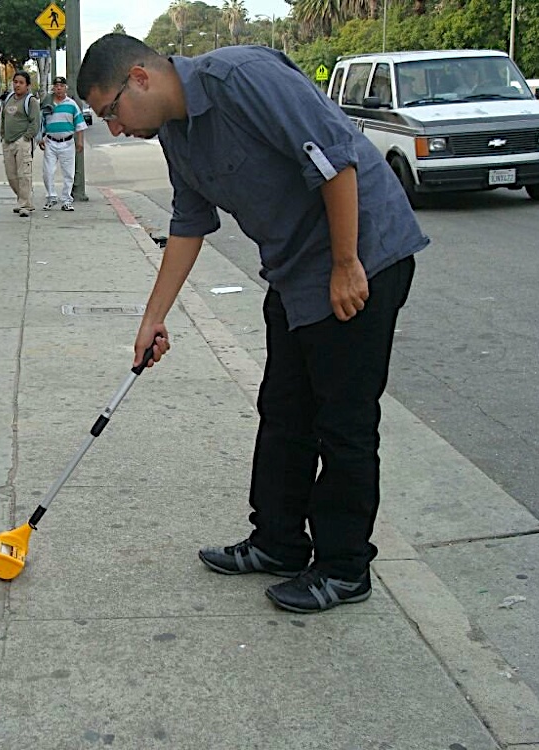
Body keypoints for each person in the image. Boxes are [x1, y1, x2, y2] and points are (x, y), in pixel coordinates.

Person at [78, 35, 428, 613]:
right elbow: (190, 222)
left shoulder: (242, 79)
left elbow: (334, 160)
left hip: (362, 257)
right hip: (295, 272)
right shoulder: (177, 133)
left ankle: (343, 567)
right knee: (284, 410)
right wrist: (153, 319)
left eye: (110, 112)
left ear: (139, 78)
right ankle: (278, 542)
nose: (113, 128)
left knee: (343, 421)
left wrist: (345, 264)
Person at [39, 75, 87, 211]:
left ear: (66, 88)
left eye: (61, 86)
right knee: (47, 172)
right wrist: (40, 138)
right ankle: (51, 197)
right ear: (53, 88)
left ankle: (66, 200)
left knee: (68, 173)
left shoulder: (71, 105)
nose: (59, 88)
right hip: (50, 142)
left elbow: (79, 125)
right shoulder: (47, 104)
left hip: (67, 143)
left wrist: (80, 142)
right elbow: (41, 123)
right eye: (56, 86)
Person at [1, 71, 41, 217]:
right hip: (8, 142)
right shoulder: (9, 99)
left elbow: (35, 123)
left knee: (23, 174)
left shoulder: (31, 102)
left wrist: (26, 138)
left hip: (22, 142)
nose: (17, 85)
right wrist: (3, 136)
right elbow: (4, 118)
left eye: (21, 82)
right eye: (15, 82)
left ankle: (25, 205)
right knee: (11, 176)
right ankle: (23, 199)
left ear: (28, 86)